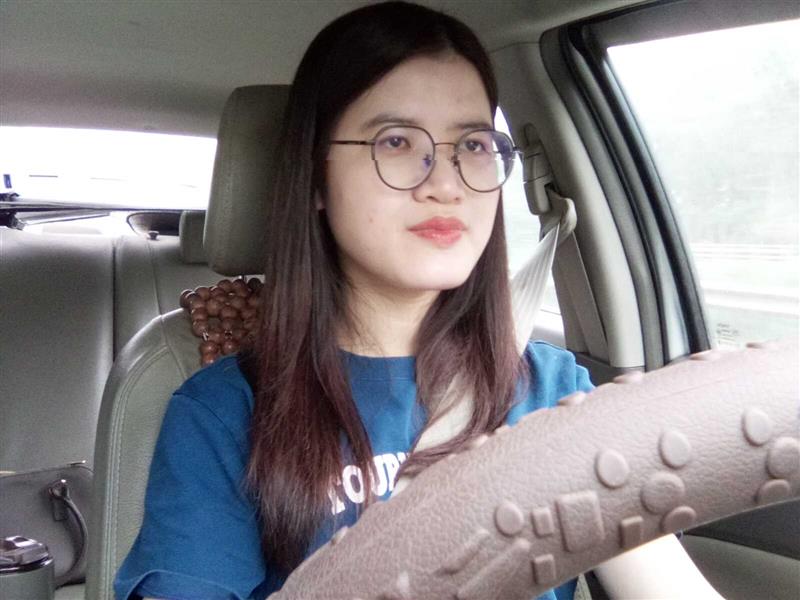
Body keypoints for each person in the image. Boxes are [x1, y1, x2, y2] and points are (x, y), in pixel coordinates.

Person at [115, 3, 723, 599]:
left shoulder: (553, 392)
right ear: (316, 177)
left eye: (474, 145)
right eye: (397, 141)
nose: (446, 183)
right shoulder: (223, 416)